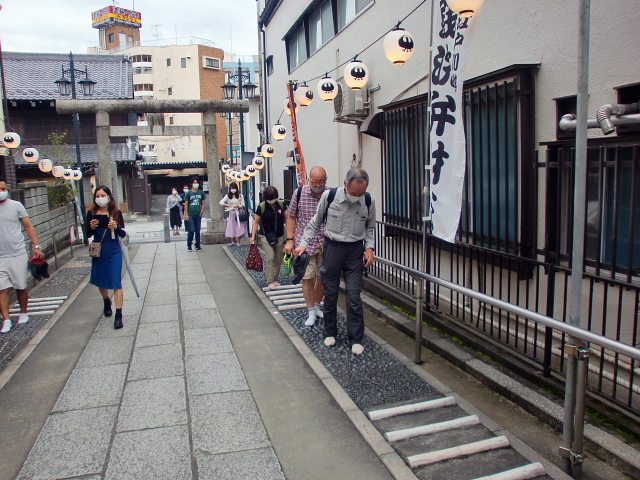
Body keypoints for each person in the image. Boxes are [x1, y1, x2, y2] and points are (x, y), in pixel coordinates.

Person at [295, 169, 376, 355]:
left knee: (354, 295)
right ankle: (330, 332)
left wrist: (369, 248)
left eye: (361, 193)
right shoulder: (330, 196)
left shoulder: (369, 201)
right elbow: (315, 222)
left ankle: (355, 338)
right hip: (332, 248)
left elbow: (370, 228)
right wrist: (303, 244)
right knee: (330, 293)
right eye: (354, 193)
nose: (357, 196)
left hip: (355, 250)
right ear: (345, 184)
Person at [285, 166, 329, 326]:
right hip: (304, 244)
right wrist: (290, 240)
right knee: (307, 278)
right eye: (315, 181)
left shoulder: (330, 194)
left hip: (325, 243)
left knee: (323, 278)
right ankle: (311, 311)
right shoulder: (299, 193)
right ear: (309, 180)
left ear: (326, 180)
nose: (318, 184)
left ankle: (317, 305)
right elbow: (291, 217)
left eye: (321, 181)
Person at [0, 179, 44, 334]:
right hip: (0, 256)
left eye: (3, 188)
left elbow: (28, 225)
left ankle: (23, 312)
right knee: (2, 289)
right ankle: (6, 319)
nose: (2, 191)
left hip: (17, 252)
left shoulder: (16, 206)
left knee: (20, 286)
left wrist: (36, 246)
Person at [86, 186, 127, 329]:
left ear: (109, 197)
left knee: (116, 282)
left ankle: (119, 315)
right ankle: (106, 300)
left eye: (103, 195)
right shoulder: (91, 213)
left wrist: (116, 227)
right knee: (101, 281)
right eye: (97, 196)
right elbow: (87, 235)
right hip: (99, 250)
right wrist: (92, 227)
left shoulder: (116, 212)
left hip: (113, 249)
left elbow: (123, 234)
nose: (100, 198)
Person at [250, 186, 286, 290]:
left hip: (279, 235)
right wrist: (253, 236)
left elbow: (287, 218)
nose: (271, 201)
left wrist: (291, 235)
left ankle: (276, 279)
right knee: (270, 257)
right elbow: (256, 222)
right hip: (265, 236)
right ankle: (270, 280)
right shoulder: (262, 206)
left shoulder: (281, 204)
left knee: (278, 258)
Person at [219, 182, 247, 246]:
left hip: (238, 213)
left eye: (234, 188)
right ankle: (233, 241)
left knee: (239, 227)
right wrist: (227, 205)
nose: (233, 189)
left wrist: (238, 205)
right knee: (232, 227)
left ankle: (238, 242)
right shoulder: (228, 195)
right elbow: (221, 202)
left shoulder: (240, 195)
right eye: (231, 188)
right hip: (231, 213)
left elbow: (243, 205)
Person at [184, 176, 206, 252]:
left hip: (198, 214)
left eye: (197, 182)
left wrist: (201, 212)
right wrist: (186, 214)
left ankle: (198, 245)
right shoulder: (189, 193)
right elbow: (186, 204)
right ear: (192, 184)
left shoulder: (201, 193)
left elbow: (203, 203)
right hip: (191, 214)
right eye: (194, 182)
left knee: (198, 231)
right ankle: (189, 244)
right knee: (191, 230)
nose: (195, 184)